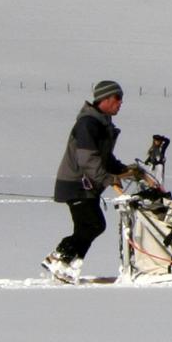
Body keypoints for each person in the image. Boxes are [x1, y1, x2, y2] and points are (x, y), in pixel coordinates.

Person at [43, 80, 149, 283]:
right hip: (77, 184)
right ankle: (58, 259)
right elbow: (87, 159)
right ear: (105, 99)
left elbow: (104, 157)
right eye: (117, 98)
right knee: (93, 224)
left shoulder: (101, 122)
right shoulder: (88, 123)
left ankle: (67, 266)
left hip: (86, 185)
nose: (120, 103)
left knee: (89, 226)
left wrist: (124, 170)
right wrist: (108, 178)